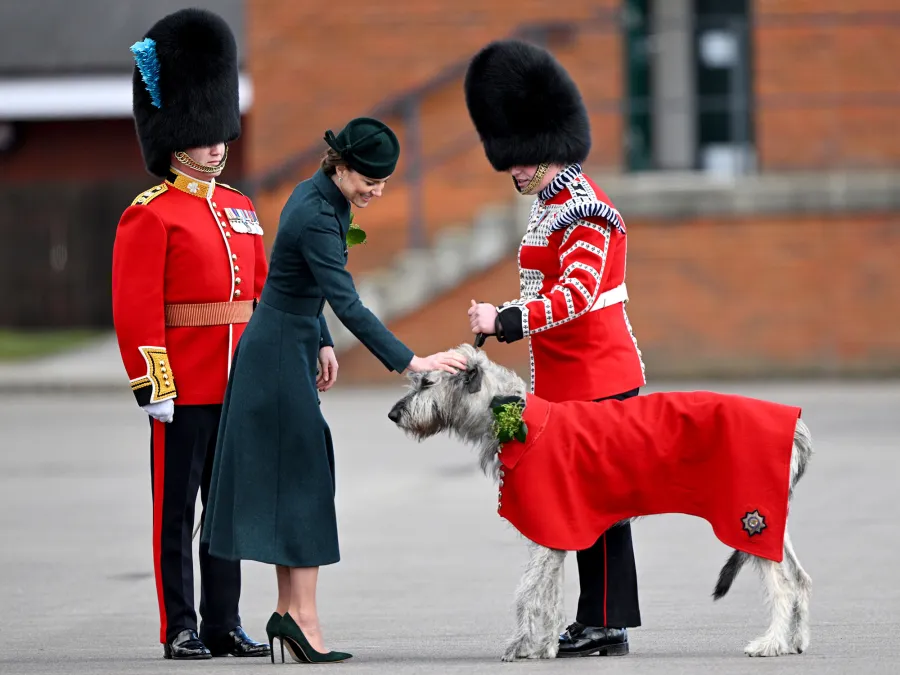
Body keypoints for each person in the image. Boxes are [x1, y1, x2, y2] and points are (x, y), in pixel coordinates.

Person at [201, 116, 467, 664]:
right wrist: (411, 361)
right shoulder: (318, 215)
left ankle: (288, 614)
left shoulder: (322, 197)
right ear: (341, 167)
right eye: (369, 180)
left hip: (288, 342)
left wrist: (320, 340)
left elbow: (295, 279)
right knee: (305, 483)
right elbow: (347, 300)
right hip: (275, 355)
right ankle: (303, 620)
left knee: (296, 480)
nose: (377, 191)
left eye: (385, 181)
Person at [463, 39, 647, 657]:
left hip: (598, 376)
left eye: (521, 156)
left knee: (601, 503)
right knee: (583, 499)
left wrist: (505, 318)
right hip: (567, 378)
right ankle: (597, 618)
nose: (513, 168)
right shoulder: (553, 204)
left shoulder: (585, 212)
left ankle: (606, 623)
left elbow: (574, 294)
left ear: (548, 145)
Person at [111, 8, 270, 661]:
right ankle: (179, 623)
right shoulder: (150, 216)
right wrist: (155, 383)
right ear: (175, 136)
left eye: (219, 133)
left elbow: (263, 295)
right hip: (183, 386)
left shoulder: (240, 208)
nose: (216, 145)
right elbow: (136, 306)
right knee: (175, 516)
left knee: (226, 512)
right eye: (203, 135)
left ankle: (223, 620)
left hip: (235, 386)